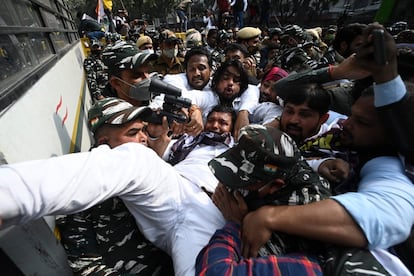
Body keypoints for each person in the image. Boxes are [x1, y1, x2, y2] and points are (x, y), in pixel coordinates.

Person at [197, 125, 406, 275]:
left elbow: (237, 263)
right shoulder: (285, 168)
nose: (230, 187)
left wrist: (236, 223)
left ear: (276, 186)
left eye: (242, 182)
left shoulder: (303, 207)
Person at [57, 98, 174, 275]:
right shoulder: (83, 190)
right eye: (133, 133)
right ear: (104, 144)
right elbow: (87, 266)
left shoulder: (151, 169)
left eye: (143, 130)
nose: (144, 138)